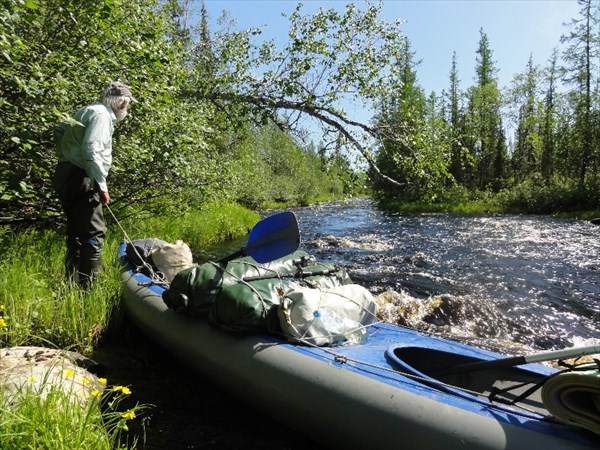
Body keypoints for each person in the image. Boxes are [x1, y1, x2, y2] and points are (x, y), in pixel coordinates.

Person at [53, 81, 137, 288]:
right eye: (127, 103)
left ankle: (72, 283)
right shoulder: (101, 117)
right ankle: (89, 289)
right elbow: (92, 150)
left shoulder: (88, 110)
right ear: (121, 102)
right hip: (81, 176)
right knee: (94, 232)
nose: (127, 108)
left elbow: (59, 129)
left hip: (66, 173)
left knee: (76, 231)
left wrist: (65, 154)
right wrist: (102, 186)